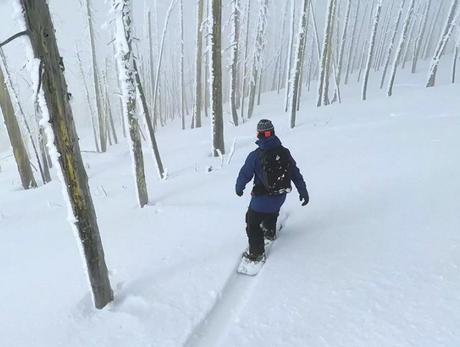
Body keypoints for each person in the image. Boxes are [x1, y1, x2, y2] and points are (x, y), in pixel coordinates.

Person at [235, 119, 309, 262]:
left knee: (252, 223)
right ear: (273, 133)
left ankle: (256, 254)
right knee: (271, 212)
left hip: (261, 200)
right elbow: (295, 173)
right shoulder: (284, 152)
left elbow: (244, 174)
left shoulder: (255, 156)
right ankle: (269, 232)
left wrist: (239, 188)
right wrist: (303, 191)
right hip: (280, 196)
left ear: (258, 135)